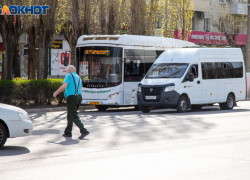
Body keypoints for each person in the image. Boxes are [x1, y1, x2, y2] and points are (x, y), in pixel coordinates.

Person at [53, 65, 89, 139]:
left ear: (69, 70)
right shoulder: (78, 77)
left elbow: (64, 86)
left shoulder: (69, 75)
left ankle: (83, 130)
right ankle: (68, 132)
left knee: (73, 114)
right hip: (79, 96)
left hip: (72, 97)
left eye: (67, 70)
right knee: (70, 114)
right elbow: (80, 88)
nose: (66, 71)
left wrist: (56, 93)